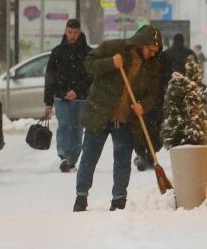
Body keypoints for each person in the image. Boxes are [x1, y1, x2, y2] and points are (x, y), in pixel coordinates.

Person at [74, 25, 163, 212]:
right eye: (151, 50)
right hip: (99, 113)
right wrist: (111, 63)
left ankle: (119, 199)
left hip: (125, 120)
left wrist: (142, 105)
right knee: (89, 157)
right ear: (141, 44)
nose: (152, 54)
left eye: (156, 51)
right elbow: (89, 64)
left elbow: (152, 93)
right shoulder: (114, 47)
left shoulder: (151, 66)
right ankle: (81, 196)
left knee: (122, 160)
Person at [134, 33, 194, 171]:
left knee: (144, 128)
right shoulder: (174, 56)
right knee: (156, 128)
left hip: (147, 99)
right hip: (162, 98)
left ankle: (143, 154)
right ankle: (149, 154)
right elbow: (171, 76)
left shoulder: (166, 55)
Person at [44, 19, 92, 172]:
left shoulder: (87, 53)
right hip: (61, 96)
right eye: (70, 32)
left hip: (80, 97)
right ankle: (64, 157)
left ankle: (72, 158)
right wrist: (48, 101)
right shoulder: (58, 52)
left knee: (77, 128)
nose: (72, 35)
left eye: (75, 32)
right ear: (65, 31)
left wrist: (76, 91)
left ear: (80, 32)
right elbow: (50, 76)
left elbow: (91, 77)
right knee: (64, 127)